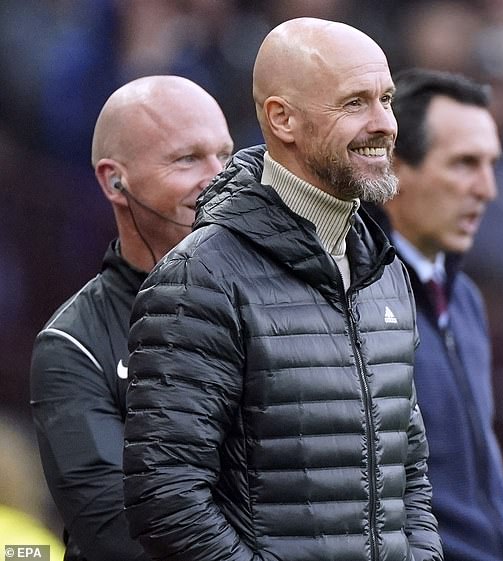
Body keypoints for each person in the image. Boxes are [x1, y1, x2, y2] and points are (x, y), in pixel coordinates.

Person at [122, 17, 443, 561]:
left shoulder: (384, 270)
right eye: (355, 103)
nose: (385, 123)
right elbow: (166, 496)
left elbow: (407, 471)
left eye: (386, 99)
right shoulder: (201, 276)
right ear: (282, 118)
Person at [30, 75, 234, 561]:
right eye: (187, 159)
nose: (220, 176)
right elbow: (120, 534)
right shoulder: (71, 344)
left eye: (226, 155)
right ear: (113, 181)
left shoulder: (281, 300)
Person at [371, 68, 503, 561]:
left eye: (491, 164)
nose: (487, 189)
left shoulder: (466, 300)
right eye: (464, 164)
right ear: (394, 172)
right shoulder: (355, 303)